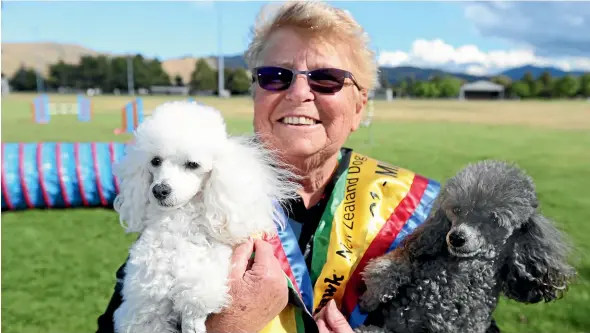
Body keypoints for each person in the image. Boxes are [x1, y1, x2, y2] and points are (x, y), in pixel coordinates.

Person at [96, 1, 501, 333]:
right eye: (275, 76)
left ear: (359, 106)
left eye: (326, 79)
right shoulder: (190, 198)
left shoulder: (415, 214)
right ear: (255, 93)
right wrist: (229, 327)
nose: (299, 93)